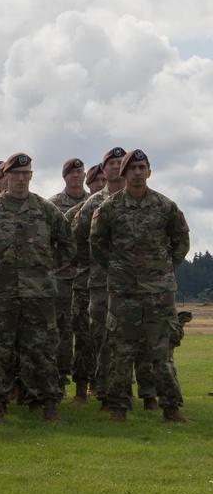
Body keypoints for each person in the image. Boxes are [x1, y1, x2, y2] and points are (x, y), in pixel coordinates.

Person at [0, 153, 75, 424]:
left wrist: (46, 267)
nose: (21, 179)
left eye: (26, 174)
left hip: (39, 294)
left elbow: (68, 245)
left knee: (42, 351)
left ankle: (46, 405)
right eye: (15, 175)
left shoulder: (46, 210)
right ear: (5, 178)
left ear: (32, 177)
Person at [90, 149, 190, 423]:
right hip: (123, 292)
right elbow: (97, 244)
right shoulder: (109, 209)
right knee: (121, 350)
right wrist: (116, 270)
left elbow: (181, 240)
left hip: (159, 292)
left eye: (141, 167)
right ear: (123, 173)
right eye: (131, 168)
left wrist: (166, 268)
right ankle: (118, 409)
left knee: (162, 351)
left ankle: (171, 409)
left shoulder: (165, 206)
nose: (137, 172)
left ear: (149, 171)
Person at [68, 147, 126, 408]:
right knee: (100, 338)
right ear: (103, 169)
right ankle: (101, 393)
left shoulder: (140, 199)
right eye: (111, 163)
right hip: (100, 283)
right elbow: (76, 240)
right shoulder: (93, 204)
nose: (116, 167)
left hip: (133, 284)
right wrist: (93, 264)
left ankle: (127, 392)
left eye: (119, 162)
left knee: (130, 341)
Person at [48, 158, 88, 395]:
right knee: (60, 332)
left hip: (86, 278)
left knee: (87, 332)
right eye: (71, 173)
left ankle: (87, 384)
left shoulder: (94, 202)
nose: (76, 176)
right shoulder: (52, 205)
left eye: (79, 172)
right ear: (64, 177)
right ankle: (60, 382)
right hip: (61, 280)